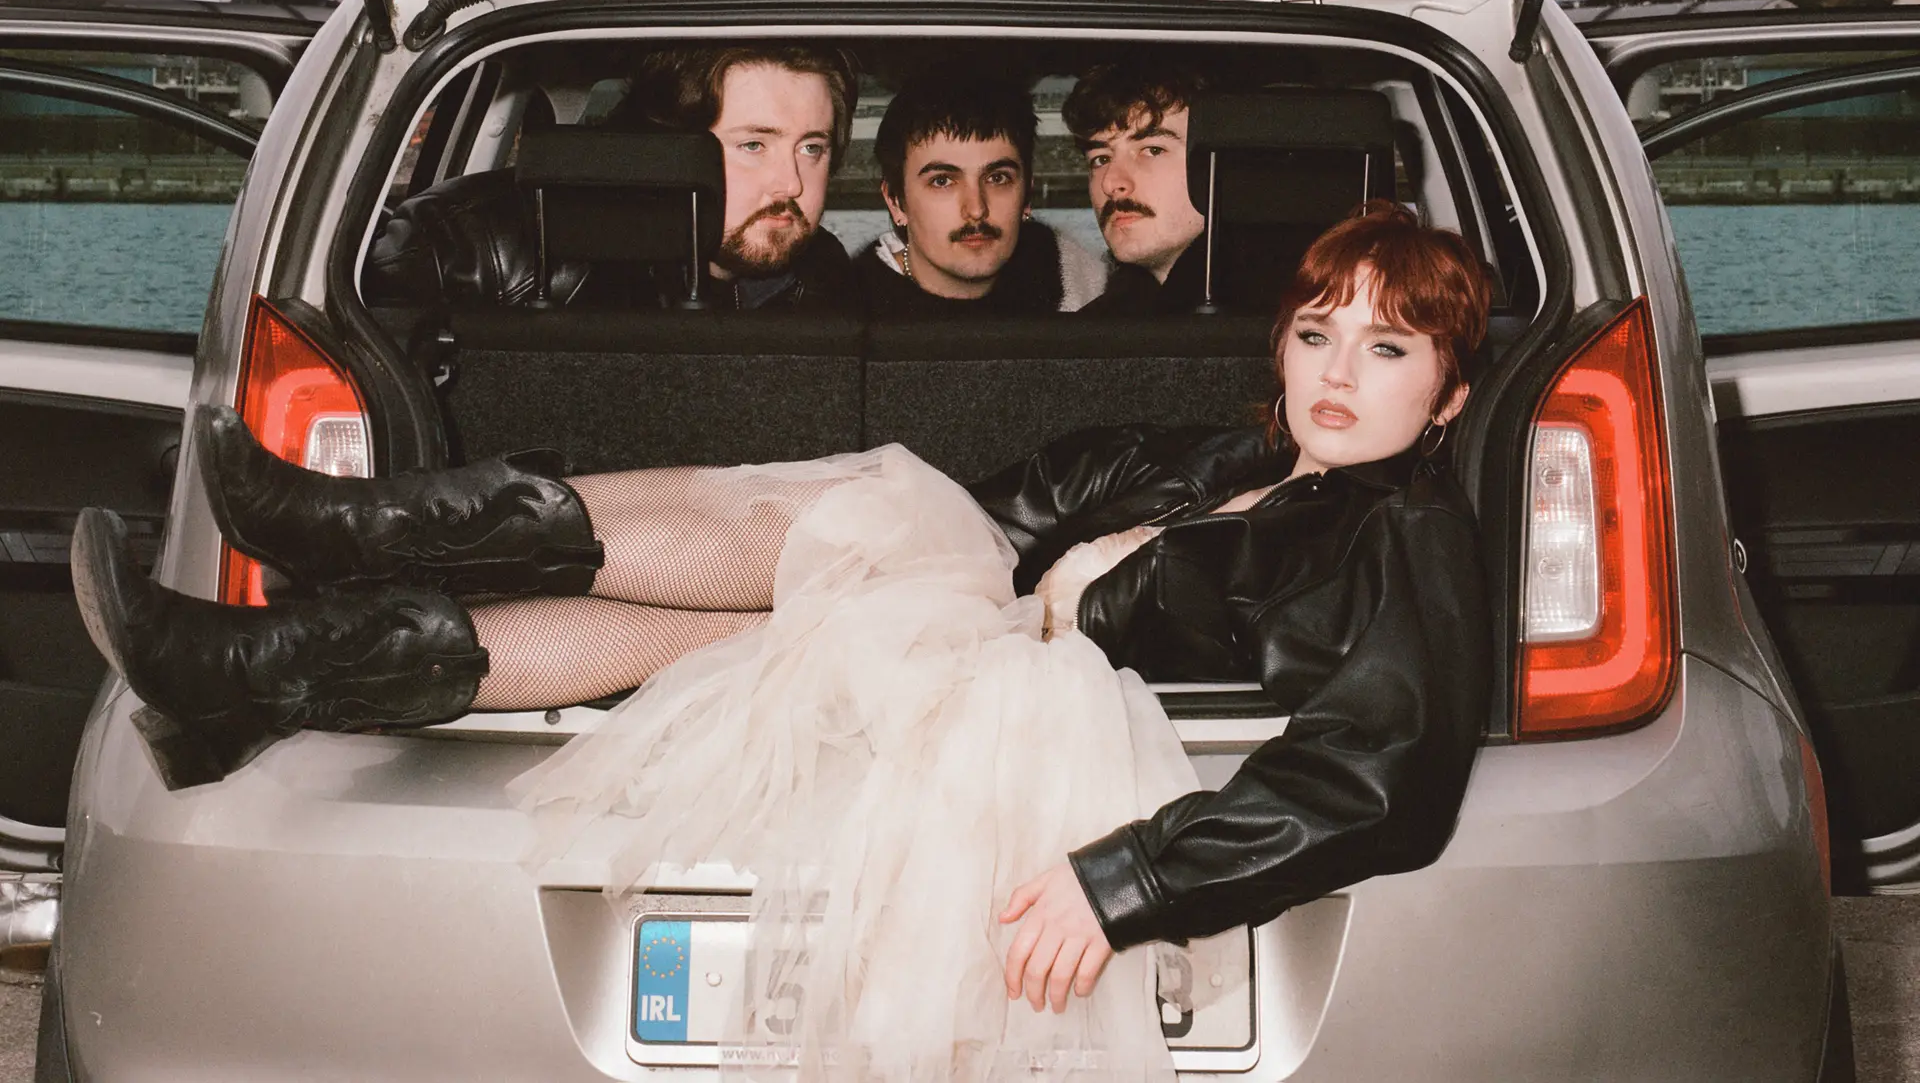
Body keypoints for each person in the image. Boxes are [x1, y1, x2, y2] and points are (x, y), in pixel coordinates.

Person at [73, 202, 1490, 1080]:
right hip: (968, 625)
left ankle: (333, 552)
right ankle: (251, 675)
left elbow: (1384, 768)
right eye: (1319, 333)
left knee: (846, 504)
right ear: (1283, 349)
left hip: (1012, 704)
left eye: (1388, 348)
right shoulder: (1221, 458)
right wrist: (934, 552)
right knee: (700, 593)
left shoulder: (1397, 528)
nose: (1340, 371)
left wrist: (1126, 876)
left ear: (1446, 393)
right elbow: (1029, 503)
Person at [363, 44, 860, 312]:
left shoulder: (824, 277)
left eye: (811, 148)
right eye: (754, 145)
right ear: (670, 151)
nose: (792, 183)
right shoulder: (480, 250)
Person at [856, 71, 1108, 317]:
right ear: (896, 201)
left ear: (1027, 197)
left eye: (997, 178)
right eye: (942, 181)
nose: (976, 209)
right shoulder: (845, 314)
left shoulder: (1088, 295)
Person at [1061, 61, 1211, 316]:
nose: (1110, 183)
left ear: (1214, 163)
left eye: (1152, 150)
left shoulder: (1285, 318)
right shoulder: (1097, 327)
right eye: (1101, 159)